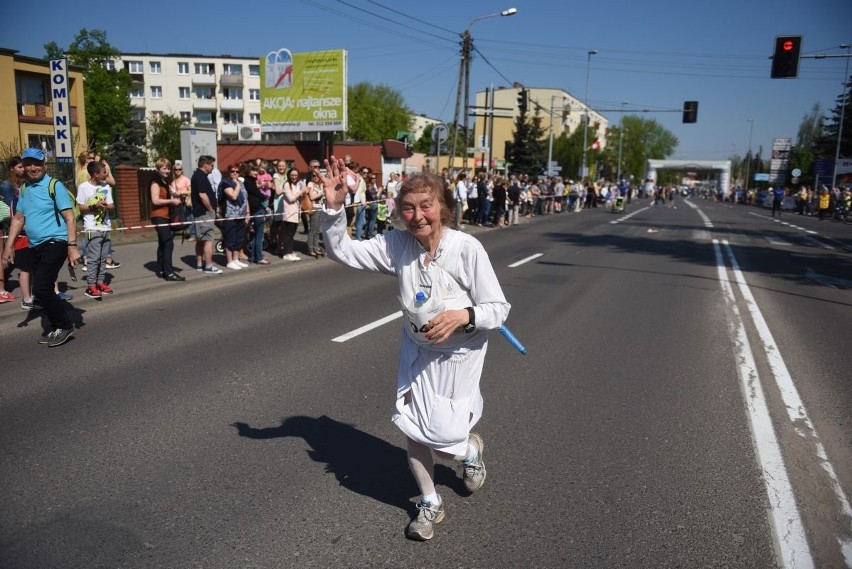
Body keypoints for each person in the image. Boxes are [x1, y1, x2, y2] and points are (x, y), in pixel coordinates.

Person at [315, 157, 511, 541]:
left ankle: (469, 451)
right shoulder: (397, 245)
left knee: (444, 436)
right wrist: (335, 208)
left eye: (426, 205)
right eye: (409, 207)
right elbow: (343, 251)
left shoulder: (467, 249)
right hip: (417, 350)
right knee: (414, 429)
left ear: (443, 208)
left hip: (460, 354)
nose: (418, 215)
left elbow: (498, 309)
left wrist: (462, 315)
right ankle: (430, 502)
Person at [1, 148, 78, 346]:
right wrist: (8, 247)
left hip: (56, 242)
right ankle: (56, 327)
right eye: (28, 164)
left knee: (43, 286)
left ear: (44, 165)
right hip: (36, 245)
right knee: (41, 289)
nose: (32, 168)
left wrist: (72, 246)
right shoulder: (25, 189)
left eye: (36, 163)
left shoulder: (54, 186)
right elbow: (18, 219)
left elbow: (70, 218)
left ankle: (64, 325)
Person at [77, 160, 116, 298]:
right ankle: (91, 286)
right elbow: (81, 208)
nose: (106, 175)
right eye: (104, 172)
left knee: (103, 257)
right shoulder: (84, 187)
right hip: (92, 228)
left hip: (106, 226)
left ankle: (100, 282)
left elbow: (112, 206)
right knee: (94, 258)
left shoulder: (106, 186)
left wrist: (106, 206)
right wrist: (95, 206)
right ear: (95, 174)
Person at [149, 158, 185, 281]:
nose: (167, 170)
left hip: (167, 216)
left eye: (168, 168)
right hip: (159, 216)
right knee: (168, 242)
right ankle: (169, 273)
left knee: (163, 243)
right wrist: (172, 200)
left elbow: (173, 192)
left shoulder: (164, 182)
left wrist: (177, 194)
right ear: (158, 169)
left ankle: (161, 269)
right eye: (164, 168)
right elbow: (155, 200)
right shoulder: (155, 182)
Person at [191, 155, 223, 274]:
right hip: (204, 212)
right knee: (208, 239)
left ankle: (200, 264)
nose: (212, 168)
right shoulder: (200, 177)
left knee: (201, 239)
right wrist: (210, 209)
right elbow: (202, 195)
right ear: (205, 165)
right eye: (211, 165)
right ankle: (208, 266)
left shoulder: (199, 175)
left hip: (201, 212)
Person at [220, 165, 249, 270]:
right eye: (233, 171)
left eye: (237, 171)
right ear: (229, 172)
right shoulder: (226, 183)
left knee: (239, 239)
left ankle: (236, 259)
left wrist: (248, 212)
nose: (235, 173)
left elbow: (245, 198)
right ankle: (230, 261)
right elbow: (233, 196)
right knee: (230, 239)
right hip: (230, 216)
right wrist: (236, 184)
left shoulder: (241, 183)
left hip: (241, 215)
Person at [273, 167, 305, 261]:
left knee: (292, 234)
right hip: (289, 213)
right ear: (289, 175)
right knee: (288, 234)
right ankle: (286, 253)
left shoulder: (297, 184)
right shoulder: (286, 185)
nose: (294, 177)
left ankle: (290, 251)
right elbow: (291, 199)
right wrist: (301, 191)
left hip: (296, 213)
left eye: (295, 175)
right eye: (292, 175)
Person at [171, 160, 194, 240]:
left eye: (179, 169)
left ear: (182, 170)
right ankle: (181, 231)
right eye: (176, 169)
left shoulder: (185, 179)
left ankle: (193, 235)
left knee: (189, 217)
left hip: (185, 200)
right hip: (177, 202)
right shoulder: (173, 181)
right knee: (180, 217)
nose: (178, 171)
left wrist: (181, 192)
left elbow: (191, 191)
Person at [305, 170, 325, 257]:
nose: (316, 177)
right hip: (314, 209)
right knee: (313, 230)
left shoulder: (320, 184)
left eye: (317, 175)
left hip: (321, 208)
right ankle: (310, 249)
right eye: (314, 175)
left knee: (317, 231)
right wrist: (321, 192)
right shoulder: (310, 184)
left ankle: (316, 247)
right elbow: (312, 196)